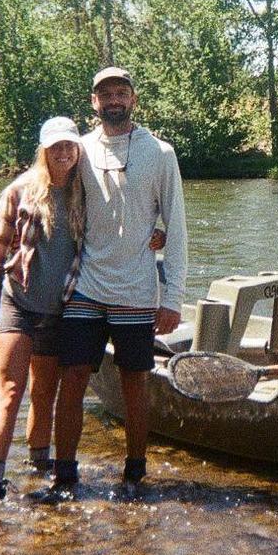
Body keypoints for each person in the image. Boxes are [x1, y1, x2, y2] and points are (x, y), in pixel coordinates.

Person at [51, 66, 187, 496]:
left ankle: (135, 472)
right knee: (72, 376)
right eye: (105, 94)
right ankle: (65, 473)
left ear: (133, 99)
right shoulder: (80, 150)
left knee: (135, 382)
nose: (113, 100)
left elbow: (177, 227)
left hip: (136, 290)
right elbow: (49, 189)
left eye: (121, 92)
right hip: (87, 286)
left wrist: (173, 298)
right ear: (93, 103)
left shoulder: (161, 153)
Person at [0, 117, 85, 500]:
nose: (63, 152)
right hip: (17, 304)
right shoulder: (18, 191)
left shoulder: (83, 192)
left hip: (60, 311)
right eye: (56, 146)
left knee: (44, 395)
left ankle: (39, 466)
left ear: (78, 149)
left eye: (70, 146)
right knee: (10, 391)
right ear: (43, 150)